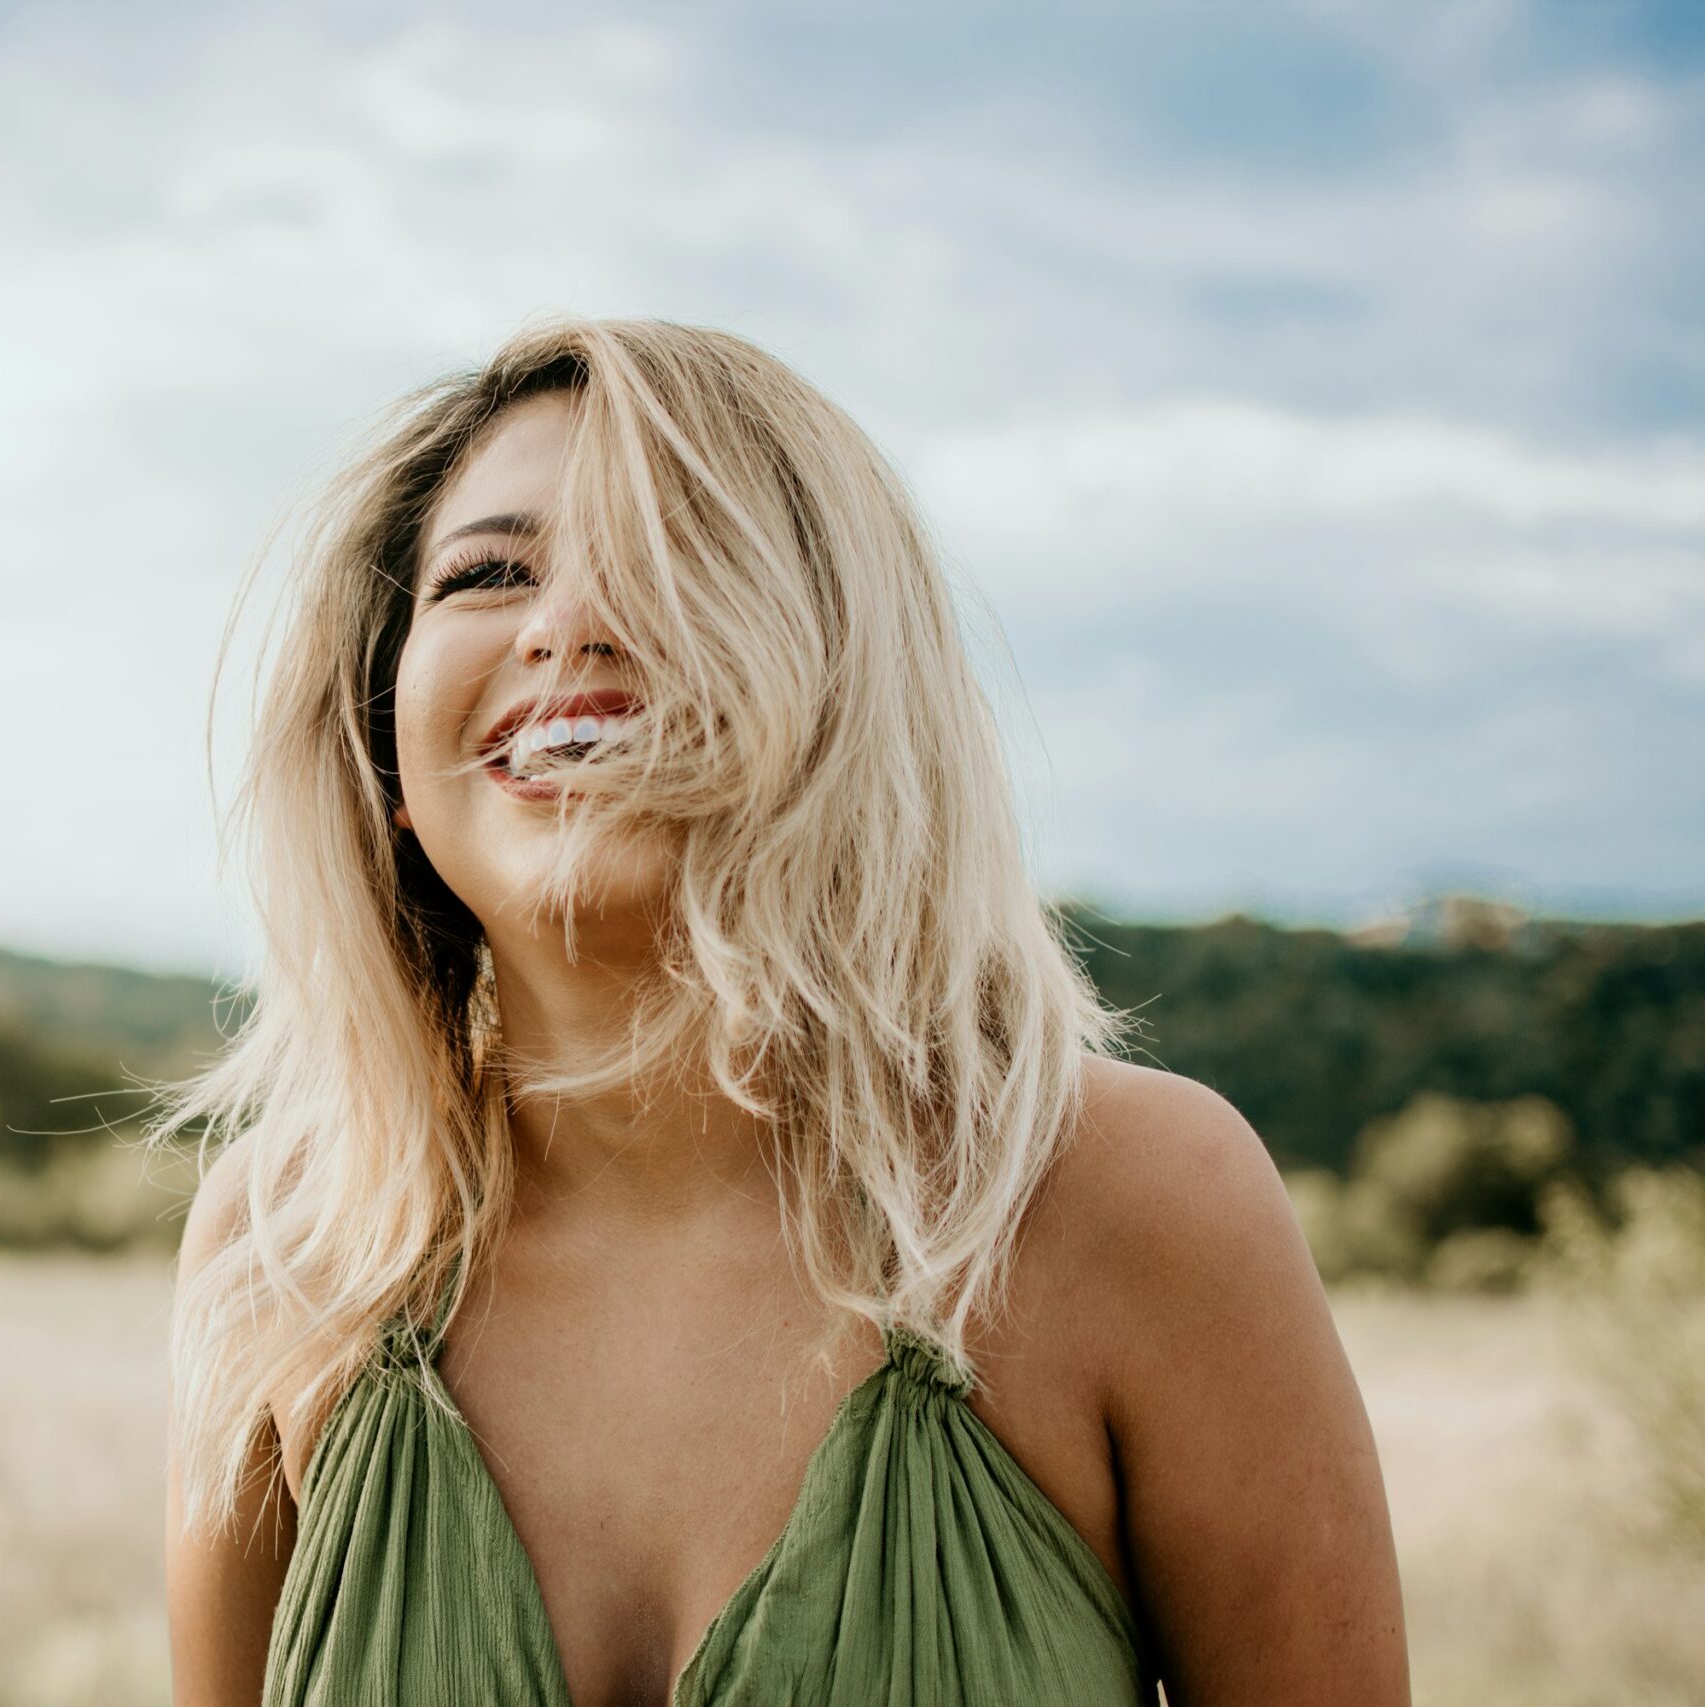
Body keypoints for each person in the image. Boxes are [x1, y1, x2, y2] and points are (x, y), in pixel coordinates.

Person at [151, 317, 1408, 1705]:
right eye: (488, 573)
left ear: (849, 682)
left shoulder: (1132, 1202)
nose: (566, 622)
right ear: (386, 745)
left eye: (678, 560)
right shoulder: (284, 1250)